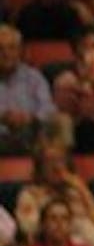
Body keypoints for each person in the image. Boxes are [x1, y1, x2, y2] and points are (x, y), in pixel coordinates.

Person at [15, 123, 94, 246]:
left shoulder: (76, 191)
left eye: (60, 160)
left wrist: (84, 192)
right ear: (40, 167)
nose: (56, 167)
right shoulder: (30, 194)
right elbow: (29, 230)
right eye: (49, 161)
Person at [0, 23, 56, 152]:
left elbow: (48, 109)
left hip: (30, 137)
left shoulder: (34, 78)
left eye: (11, 48)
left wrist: (30, 118)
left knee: (59, 124)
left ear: (20, 51)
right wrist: (3, 117)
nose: (6, 53)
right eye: (0, 49)